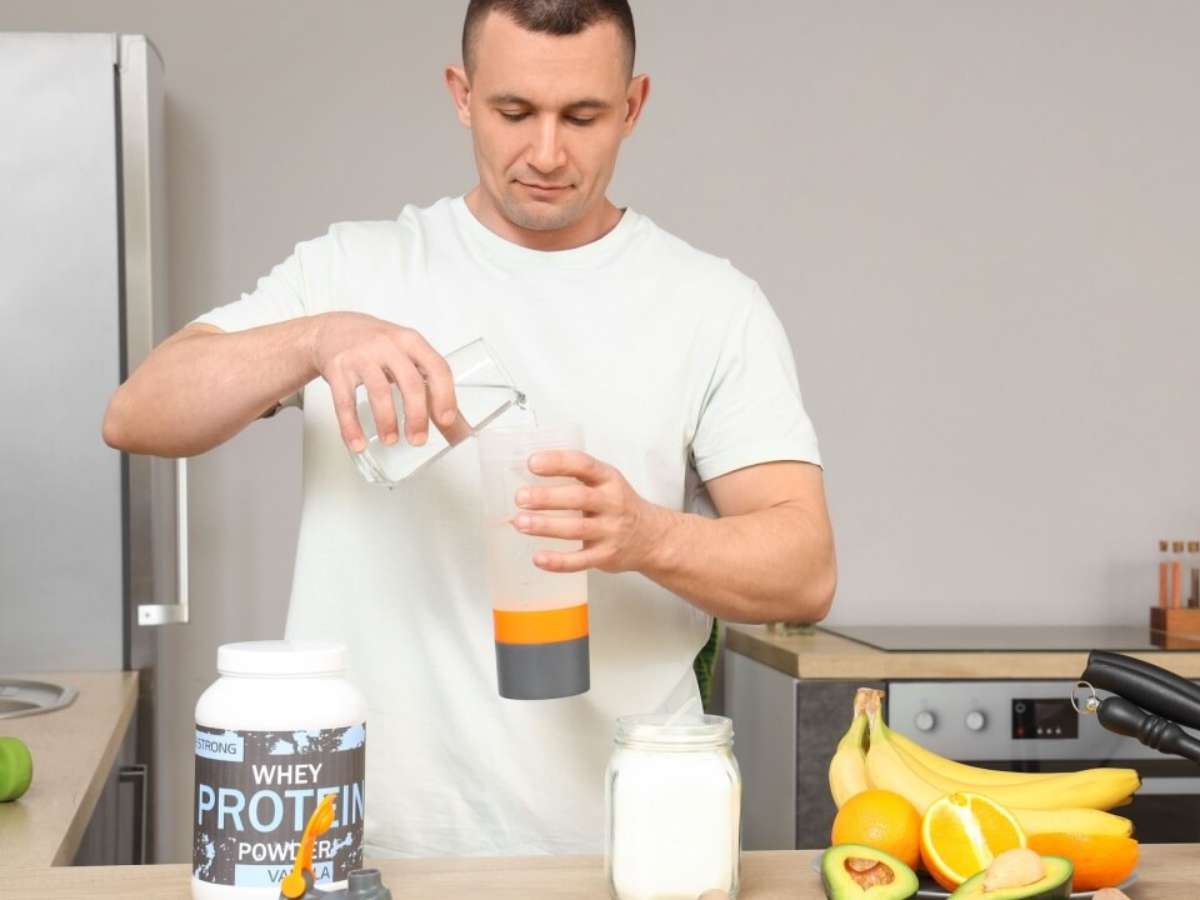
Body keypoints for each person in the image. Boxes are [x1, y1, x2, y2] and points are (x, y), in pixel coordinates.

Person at [103, 0, 836, 858]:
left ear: (633, 106)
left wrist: (645, 533)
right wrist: (315, 339)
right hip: (364, 844)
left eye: (583, 116)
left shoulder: (711, 306)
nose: (547, 152)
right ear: (462, 94)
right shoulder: (354, 268)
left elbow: (806, 572)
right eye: (514, 111)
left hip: (618, 847)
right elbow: (138, 412)